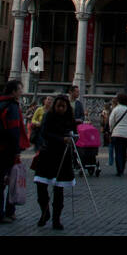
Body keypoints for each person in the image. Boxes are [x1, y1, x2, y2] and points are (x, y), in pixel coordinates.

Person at [32, 94, 76, 230]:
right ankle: (44, 212)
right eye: (59, 106)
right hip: (47, 154)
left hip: (62, 156)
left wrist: (73, 138)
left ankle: (56, 219)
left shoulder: (70, 119)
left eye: (63, 106)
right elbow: (44, 133)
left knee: (58, 189)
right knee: (41, 186)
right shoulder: (48, 116)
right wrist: (61, 139)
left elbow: (74, 134)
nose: (61, 109)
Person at [0, 81, 28, 225]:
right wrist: (17, 151)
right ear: (13, 92)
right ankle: (8, 212)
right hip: (8, 150)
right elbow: (14, 131)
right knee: (12, 181)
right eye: (19, 89)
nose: (21, 92)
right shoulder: (12, 107)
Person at [107, 91, 127, 175]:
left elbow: (111, 121)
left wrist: (111, 130)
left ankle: (119, 169)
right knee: (124, 151)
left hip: (117, 133)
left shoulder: (115, 109)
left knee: (118, 151)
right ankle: (122, 166)